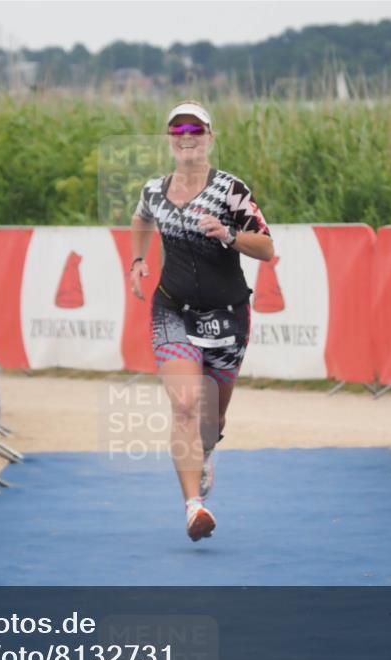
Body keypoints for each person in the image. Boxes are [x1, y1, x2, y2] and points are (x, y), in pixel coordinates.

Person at [130, 100, 274, 542]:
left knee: (212, 419)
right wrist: (138, 258)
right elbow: (140, 218)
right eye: (178, 129)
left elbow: (267, 249)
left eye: (196, 128)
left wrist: (229, 235)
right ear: (170, 139)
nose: (186, 135)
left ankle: (206, 449)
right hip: (171, 309)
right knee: (185, 405)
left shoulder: (231, 190)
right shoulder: (154, 189)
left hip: (228, 314)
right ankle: (194, 507)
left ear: (210, 137)